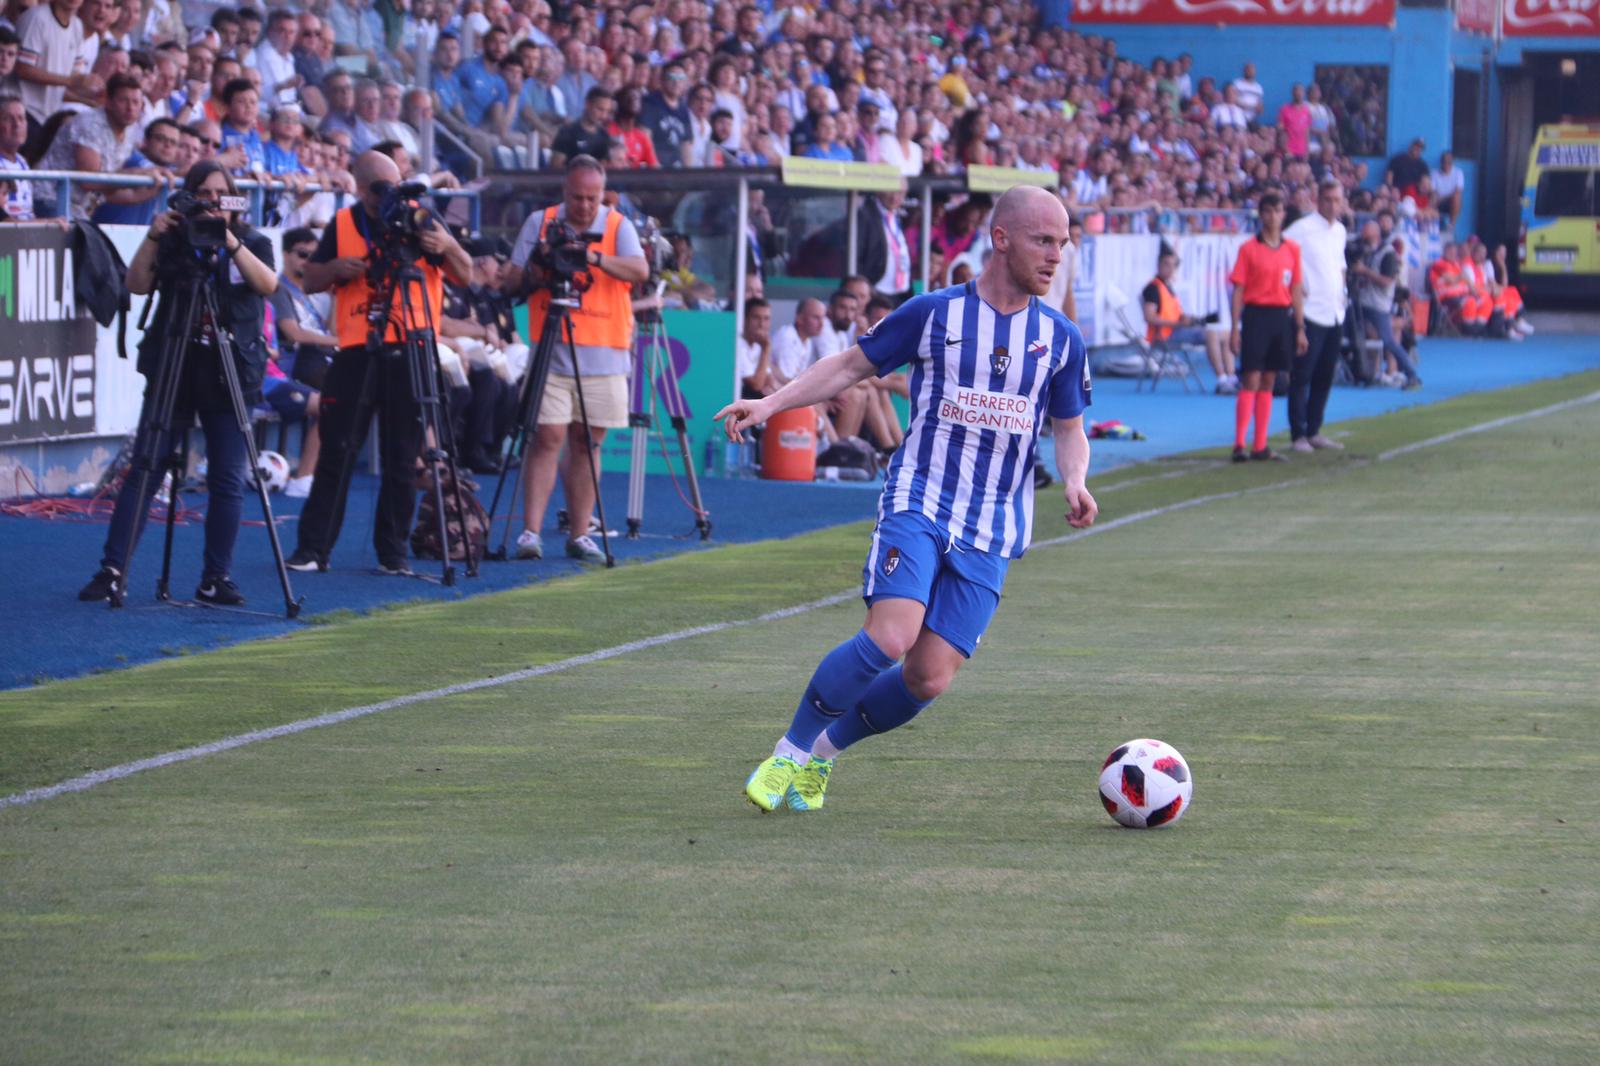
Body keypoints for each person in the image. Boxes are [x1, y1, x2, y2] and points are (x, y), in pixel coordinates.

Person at [717, 184, 1096, 813]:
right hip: (920, 497)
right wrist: (771, 403)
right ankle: (787, 753)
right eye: (1044, 241)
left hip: (994, 522)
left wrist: (1076, 479)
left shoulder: (1060, 339)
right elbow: (848, 366)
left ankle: (823, 757)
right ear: (1001, 240)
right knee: (891, 636)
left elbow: (1069, 429)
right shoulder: (934, 313)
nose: (1057, 256)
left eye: (1063, 243)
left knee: (928, 677)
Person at [77, 162, 278, 606]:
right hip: (175, 364)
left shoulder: (252, 240)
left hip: (230, 372)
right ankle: (113, 570)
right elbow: (136, 284)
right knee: (146, 469)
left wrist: (229, 241)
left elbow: (267, 283)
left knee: (226, 477)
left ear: (232, 199)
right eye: (200, 193)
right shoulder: (172, 239)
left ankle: (215, 578)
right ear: (186, 198)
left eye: (218, 193)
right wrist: (154, 236)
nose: (209, 201)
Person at [284, 150, 473, 575]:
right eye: (379, 189)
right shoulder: (345, 223)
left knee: (403, 455)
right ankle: (313, 549)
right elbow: (311, 278)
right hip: (356, 346)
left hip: (411, 344)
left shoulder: (423, 219)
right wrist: (336, 267)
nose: (388, 197)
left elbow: (467, 273)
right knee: (337, 449)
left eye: (394, 184)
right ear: (361, 188)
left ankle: (393, 553)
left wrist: (447, 244)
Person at [505, 155, 648, 563]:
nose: (584, 206)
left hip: (604, 353)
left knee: (588, 443)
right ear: (563, 192)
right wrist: (542, 259)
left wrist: (593, 257)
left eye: (591, 198)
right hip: (551, 348)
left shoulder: (619, 225)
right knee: (546, 438)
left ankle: (580, 533)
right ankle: (530, 532)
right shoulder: (541, 222)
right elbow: (511, 281)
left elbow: (639, 270)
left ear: (602, 195)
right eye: (576, 197)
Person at [1228, 191, 1304, 463]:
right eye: (1268, 211)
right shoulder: (1248, 249)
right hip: (1256, 316)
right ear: (1261, 215)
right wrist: (1235, 328)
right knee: (1251, 376)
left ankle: (1260, 444)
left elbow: (1295, 289)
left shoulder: (1292, 250)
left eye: (1278, 211)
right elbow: (1238, 289)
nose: (1273, 217)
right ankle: (1239, 443)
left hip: (1280, 317)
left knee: (1270, 378)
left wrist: (1300, 326)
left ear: (1284, 214)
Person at [1283, 177, 1348, 452]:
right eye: (1328, 200)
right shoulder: (1302, 229)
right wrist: (1292, 290)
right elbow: (1280, 253)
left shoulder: (1340, 231)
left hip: (1335, 311)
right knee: (1302, 374)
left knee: (1325, 374)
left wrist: (1343, 290)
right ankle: (1298, 433)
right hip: (1310, 312)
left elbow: (1340, 265)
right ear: (1318, 200)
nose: (1333, 205)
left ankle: (1314, 429)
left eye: (1337, 200)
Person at [1141, 246, 1233, 394]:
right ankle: (1222, 380)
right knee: (1211, 334)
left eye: (1173, 265)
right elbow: (1149, 317)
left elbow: (1175, 315)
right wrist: (1178, 323)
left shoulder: (1168, 287)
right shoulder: (1152, 288)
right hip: (1165, 335)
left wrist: (1194, 320)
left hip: (1178, 330)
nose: (1170, 269)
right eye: (1166, 264)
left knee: (1226, 334)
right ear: (1158, 265)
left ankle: (1231, 377)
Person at [1352, 220, 1422, 389]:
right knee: (1354, 336)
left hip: (1378, 305)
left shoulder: (1387, 254)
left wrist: (1364, 272)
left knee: (1388, 341)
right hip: (1362, 302)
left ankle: (1411, 373)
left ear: (1375, 234)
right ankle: (1366, 372)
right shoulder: (1367, 252)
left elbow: (1387, 281)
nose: (1363, 237)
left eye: (1366, 234)